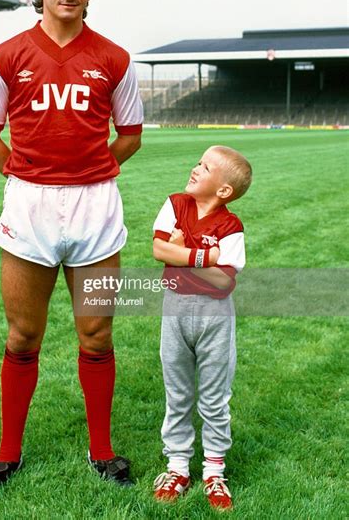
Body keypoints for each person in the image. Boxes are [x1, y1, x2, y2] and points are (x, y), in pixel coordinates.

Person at [0, 0, 143, 494]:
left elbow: (132, 135)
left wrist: (90, 169)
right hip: (30, 204)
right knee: (23, 336)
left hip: (96, 205)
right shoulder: (7, 55)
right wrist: (23, 177)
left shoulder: (115, 58)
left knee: (96, 335)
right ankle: (7, 454)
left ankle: (103, 451)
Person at [151, 145, 252, 511]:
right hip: (175, 309)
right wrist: (204, 258)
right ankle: (177, 466)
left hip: (215, 315)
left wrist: (185, 256)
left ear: (223, 190)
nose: (194, 169)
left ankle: (213, 469)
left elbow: (224, 282)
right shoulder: (175, 203)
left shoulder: (231, 226)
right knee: (177, 391)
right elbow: (160, 251)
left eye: (204, 167)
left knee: (214, 397)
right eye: (197, 162)